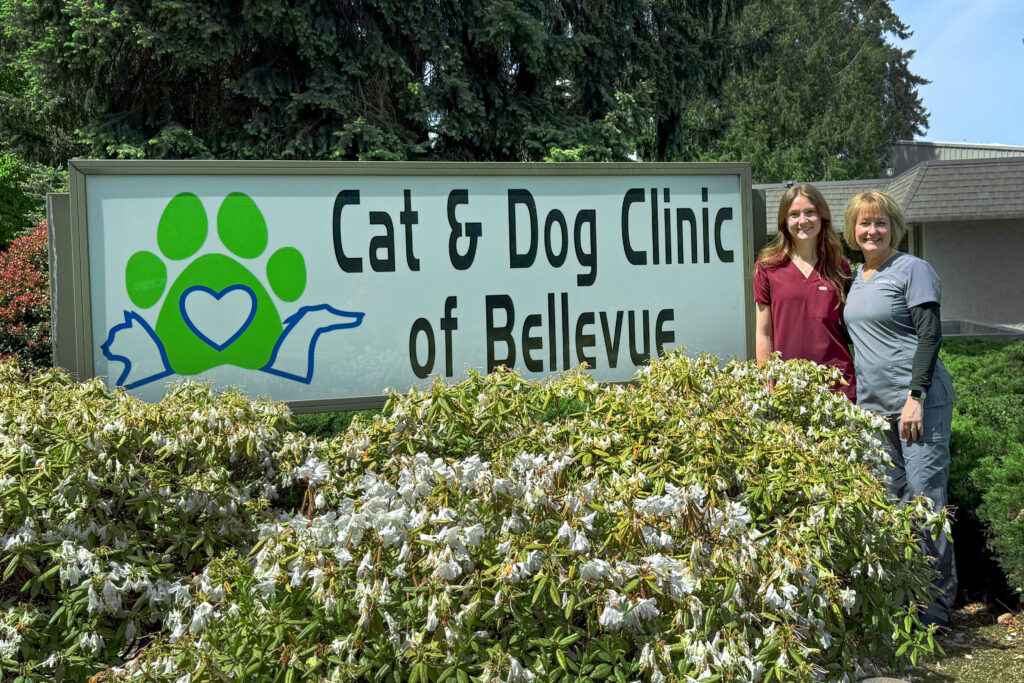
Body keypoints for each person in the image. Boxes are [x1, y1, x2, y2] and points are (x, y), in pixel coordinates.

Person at [842, 189, 957, 628]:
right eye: (864, 223)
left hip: (918, 406)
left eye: (881, 223)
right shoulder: (857, 278)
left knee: (926, 504)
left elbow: (929, 335)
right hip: (874, 411)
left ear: (894, 228)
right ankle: (905, 605)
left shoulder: (913, 270)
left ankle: (936, 613)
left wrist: (916, 396)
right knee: (892, 506)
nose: (872, 230)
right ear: (853, 230)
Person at [753, 183, 856, 400]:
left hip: (836, 384)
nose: (803, 221)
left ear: (822, 217)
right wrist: (767, 380)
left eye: (810, 212)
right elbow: (764, 333)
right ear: (784, 221)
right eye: (794, 214)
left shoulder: (839, 266)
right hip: (788, 386)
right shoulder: (767, 267)